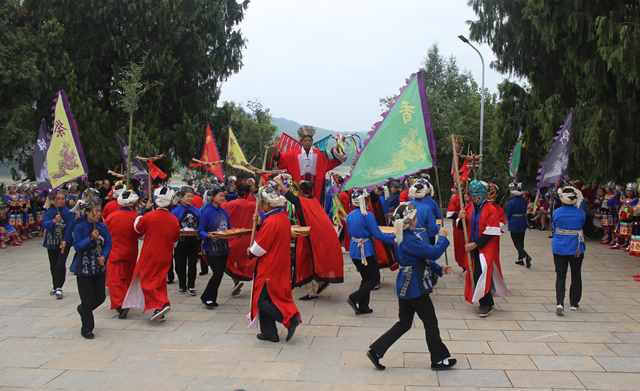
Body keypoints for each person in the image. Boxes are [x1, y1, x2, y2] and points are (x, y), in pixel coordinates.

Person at [367, 203, 456, 371]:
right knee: (430, 322)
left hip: (406, 284)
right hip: (415, 286)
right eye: (414, 217)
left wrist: (439, 269)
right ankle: (438, 359)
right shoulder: (408, 239)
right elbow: (432, 253)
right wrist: (443, 238)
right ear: (409, 221)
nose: (416, 219)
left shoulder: (403, 236)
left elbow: (421, 258)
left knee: (404, 323)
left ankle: (376, 350)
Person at [248, 182, 301, 343]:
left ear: (267, 204)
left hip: (269, 266)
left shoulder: (271, 221)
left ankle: (288, 318)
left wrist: (250, 251)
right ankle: (269, 332)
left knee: (261, 300)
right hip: (279, 262)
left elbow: (259, 248)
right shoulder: (281, 217)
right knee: (268, 298)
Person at [274, 176, 343, 300]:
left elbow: (286, 193)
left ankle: (314, 289)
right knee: (310, 261)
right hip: (318, 235)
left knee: (306, 262)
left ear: (301, 191)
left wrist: (278, 181)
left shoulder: (302, 201)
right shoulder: (314, 200)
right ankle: (319, 283)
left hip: (310, 238)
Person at [123, 186, 180, 321]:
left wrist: (142, 214)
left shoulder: (150, 216)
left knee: (147, 281)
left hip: (150, 254)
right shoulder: (173, 219)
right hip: (166, 254)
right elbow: (176, 238)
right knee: (159, 281)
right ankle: (159, 309)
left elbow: (137, 228)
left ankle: (161, 304)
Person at [458, 180, 508, 317]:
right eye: (472, 195)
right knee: (476, 273)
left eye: (476, 196)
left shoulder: (491, 209)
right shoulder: (469, 207)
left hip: (486, 247)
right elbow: (461, 226)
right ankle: (486, 301)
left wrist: (475, 244)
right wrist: (461, 218)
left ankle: (485, 304)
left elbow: (491, 232)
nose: (473, 198)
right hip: (473, 245)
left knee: (482, 273)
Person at [346, 189, 395, 315]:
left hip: (354, 250)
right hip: (365, 251)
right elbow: (377, 234)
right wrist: (394, 239)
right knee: (373, 279)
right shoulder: (367, 215)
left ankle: (363, 306)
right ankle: (354, 297)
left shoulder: (350, 215)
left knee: (366, 278)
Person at [70, 201, 112, 339]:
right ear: (87, 212)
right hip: (83, 267)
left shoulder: (101, 226)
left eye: (99, 211)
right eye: (95, 211)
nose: (98, 214)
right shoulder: (79, 227)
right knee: (87, 299)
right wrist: (90, 238)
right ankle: (87, 328)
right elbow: (77, 246)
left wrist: (104, 256)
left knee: (100, 297)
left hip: (98, 267)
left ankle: (83, 309)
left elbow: (108, 243)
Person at [274, 126, 343, 201]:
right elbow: (281, 159)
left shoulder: (320, 154)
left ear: (312, 141)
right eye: (305, 140)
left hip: (316, 189)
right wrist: (276, 151)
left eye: (309, 140)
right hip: (298, 188)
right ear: (301, 142)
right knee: (299, 204)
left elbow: (330, 162)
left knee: (315, 204)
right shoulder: (293, 154)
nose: (307, 142)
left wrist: (339, 147)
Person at [104, 190, 141, 319]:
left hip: (115, 250)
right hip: (131, 251)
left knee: (115, 279)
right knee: (127, 278)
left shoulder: (111, 217)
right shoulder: (136, 217)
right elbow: (140, 234)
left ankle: (120, 304)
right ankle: (126, 300)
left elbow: (105, 233)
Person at [552, 186, 586, 316]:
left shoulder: (557, 212)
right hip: (576, 246)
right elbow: (582, 224)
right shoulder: (580, 213)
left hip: (559, 246)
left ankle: (559, 302)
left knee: (560, 275)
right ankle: (574, 302)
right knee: (576, 274)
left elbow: (554, 226)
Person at [198, 185, 230, 308]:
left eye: (224, 196)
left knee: (220, 274)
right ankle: (208, 298)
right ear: (213, 197)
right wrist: (209, 236)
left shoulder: (223, 211)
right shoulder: (205, 211)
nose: (223, 198)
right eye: (220, 195)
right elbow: (200, 231)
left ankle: (208, 297)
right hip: (211, 248)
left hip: (224, 247)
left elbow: (229, 228)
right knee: (217, 273)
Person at [222, 183, 256, 296]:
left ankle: (236, 281)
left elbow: (223, 218)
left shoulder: (229, 204)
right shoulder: (254, 205)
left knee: (230, 262)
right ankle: (241, 280)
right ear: (248, 193)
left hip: (233, 237)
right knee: (245, 262)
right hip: (248, 238)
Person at [42, 190, 74, 299]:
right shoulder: (50, 211)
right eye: (58, 198)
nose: (61, 200)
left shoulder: (68, 212)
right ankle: (55, 286)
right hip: (51, 242)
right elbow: (45, 224)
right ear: (54, 200)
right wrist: (54, 221)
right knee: (53, 264)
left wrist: (65, 240)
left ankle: (59, 287)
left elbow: (70, 227)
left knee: (60, 263)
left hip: (64, 242)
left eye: (62, 198)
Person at [172, 186, 202, 296]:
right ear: (181, 198)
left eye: (191, 197)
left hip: (193, 240)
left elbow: (200, 224)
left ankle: (191, 286)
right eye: (187, 196)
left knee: (192, 264)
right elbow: (172, 226)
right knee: (180, 264)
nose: (190, 199)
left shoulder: (196, 210)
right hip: (180, 241)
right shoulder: (175, 211)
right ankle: (182, 285)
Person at [505, 182, 532, 268]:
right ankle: (520, 259)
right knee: (521, 241)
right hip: (522, 222)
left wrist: (508, 221)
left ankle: (526, 256)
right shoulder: (524, 201)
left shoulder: (511, 202)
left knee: (516, 242)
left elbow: (508, 213)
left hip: (514, 222)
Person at [446, 187, 468, 272]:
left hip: (473, 227)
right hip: (459, 228)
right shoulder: (455, 198)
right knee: (460, 247)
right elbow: (449, 214)